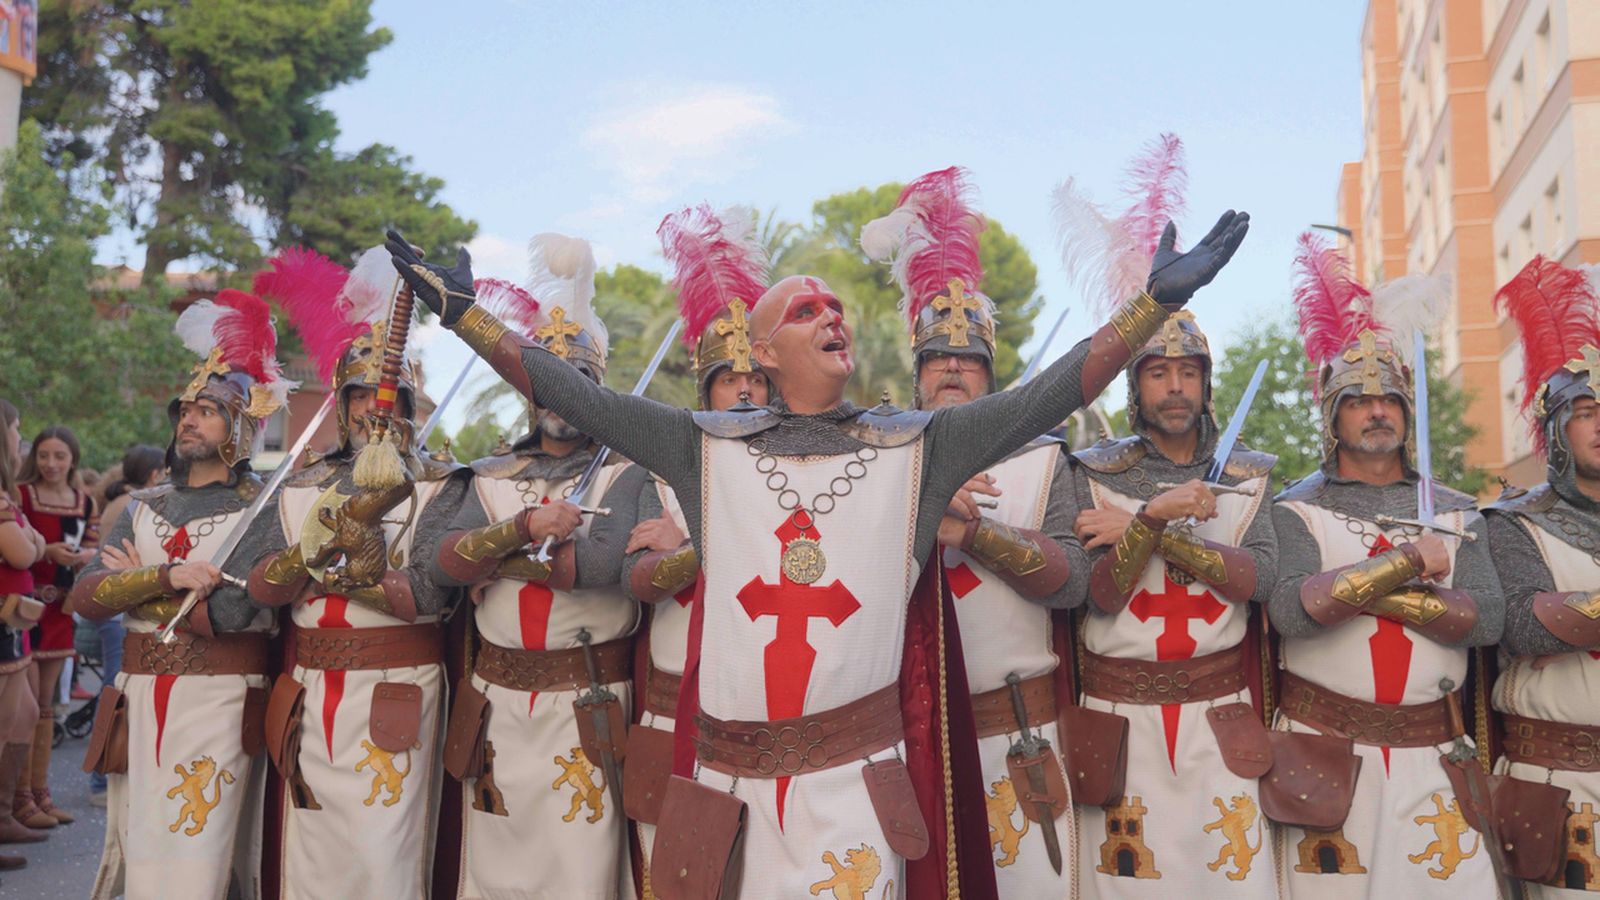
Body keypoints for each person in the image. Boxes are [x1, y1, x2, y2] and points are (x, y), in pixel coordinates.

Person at [389, 198, 1249, 898]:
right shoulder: (705, 445)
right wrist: (466, 317)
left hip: (854, 790)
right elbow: (570, 392)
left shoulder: (915, 447)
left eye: (835, 307)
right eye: (806, 311)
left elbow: (1052, 391)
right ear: (762, 352)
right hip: (727, 793)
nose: (831, 315)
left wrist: (1154, 306)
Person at [861, 169, 1086, 896]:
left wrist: (974, 534)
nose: (952, 369)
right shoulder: (876, 461)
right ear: (917, 370)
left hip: (1018, 733)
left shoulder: (1046, 459)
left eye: (968, 359)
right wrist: (923, 510)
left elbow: (1073, 581)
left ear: (991, 374)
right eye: (937, 359)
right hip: (909, 735)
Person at [1267, 235, 1503, 897]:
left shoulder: (1455, 513)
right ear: (1332, 417)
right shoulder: (1296, 509)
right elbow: (1292, 612)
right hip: (1323, 754)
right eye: (1358, 401)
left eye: (1390, 401)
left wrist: (1350, 589)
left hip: (1435, 757)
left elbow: (1486, 622)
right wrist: (1406, 565)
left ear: (1407, 410)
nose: (1377, 411)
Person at [246, 246, 470, 900]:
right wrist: (300, 560)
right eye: (363, 397)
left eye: (390, 398)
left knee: (385, 866)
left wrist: (334, 572)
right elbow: (261, 589)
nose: (377, 411)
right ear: (342, 406)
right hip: (313, 691)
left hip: (397, 688)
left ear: (406, 405)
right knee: (309, 862)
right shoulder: (295, 487)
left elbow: (424, 595)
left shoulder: (440, 487)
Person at [429, 244, 644, 898]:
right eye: (542, 380)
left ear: (594, 388)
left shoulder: (628, 472)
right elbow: (441, 563)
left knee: (580, 874)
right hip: (496, 704)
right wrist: (524, 529)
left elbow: (601, 563)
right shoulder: (488, 478)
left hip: (585, 704)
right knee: (495, 874)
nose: (556, 395)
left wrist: (491, 556)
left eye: (571, 378)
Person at [69, 290, 295, 900]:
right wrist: (164, 578)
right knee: (141, 851)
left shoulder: (262, 511)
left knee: (202, 857)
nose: (189, 420)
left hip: (221, 703)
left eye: (209, 411)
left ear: (240, 428)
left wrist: (132, 590)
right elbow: (85, 597)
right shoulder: (146, 506)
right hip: (141, 701)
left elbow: (230, 611)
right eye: (186, 410)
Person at [620, 204, 775, 890]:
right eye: (729, 379)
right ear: (706, 389)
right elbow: (641, 580)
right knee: (672, 876)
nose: (744, 388)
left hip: (763, 706)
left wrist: (692, 541)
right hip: (667, 702)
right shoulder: (658, 473)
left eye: (757, 380)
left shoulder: (798, 476)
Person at [1485, 256, 1600, 896]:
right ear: (1556, 430)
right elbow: (1525, 622)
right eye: (1585, 410)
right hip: (1558, 781)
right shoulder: (1513, 524)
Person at [17, 424, 97, 827]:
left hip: (61, 609)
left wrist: (83, 556)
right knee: (26, 707)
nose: (51, 463)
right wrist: (45, 551)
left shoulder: (83, 501)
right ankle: (19, 799)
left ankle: (39, 795)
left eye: (59, 456)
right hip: (24, 608)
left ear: (72, 460)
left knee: (45, 706)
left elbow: (95, 547)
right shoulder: (22, 495)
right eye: (44, 455)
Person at [83, 443, 164, 806]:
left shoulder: (121, 501)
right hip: (118, 608)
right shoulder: (137, 506)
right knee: (116, 693)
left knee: (114, 690)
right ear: (154, 474)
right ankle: (102, 779)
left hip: (115, 606)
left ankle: (104, 777)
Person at [0, 398, 48, 881]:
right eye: (16, 429)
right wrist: (30, 539)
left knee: (27, 713)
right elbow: (21, 551)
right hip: (2, 622)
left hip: (12, 625)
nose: (20, 438)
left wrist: (29, 539)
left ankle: (5, 816)